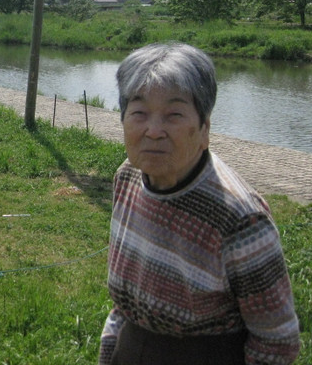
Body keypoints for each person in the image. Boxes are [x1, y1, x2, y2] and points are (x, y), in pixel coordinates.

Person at [99, 42, 300, 365]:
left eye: (174, 114)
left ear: (204, 128)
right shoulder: (128, 178)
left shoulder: (239, 219)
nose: (153, 131)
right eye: (139, 112)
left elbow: (276, 342)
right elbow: (123, 309)